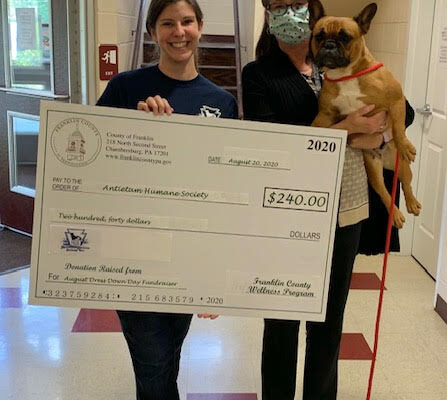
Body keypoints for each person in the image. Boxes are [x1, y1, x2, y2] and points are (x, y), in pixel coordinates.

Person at [242, 1, 414, 399]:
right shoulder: (260, 74)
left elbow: (404, 110)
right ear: (268, 14)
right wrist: (351, 130)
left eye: (295, 5)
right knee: (283, 320)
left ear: (311, 10)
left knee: (329, 320)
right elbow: (271, 139)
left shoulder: (358, 66)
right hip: (288, 209)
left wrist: (385, 135)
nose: (288, 13)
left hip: (346, 207)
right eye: (277, 6)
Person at [96, 1, 237, 399]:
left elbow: (225, 192)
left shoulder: (222, 103)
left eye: (187, 22)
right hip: (132, 251)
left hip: (187, 252)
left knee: (168, 356)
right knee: (154, 364)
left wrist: (214, 274)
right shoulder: (126, 88)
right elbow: (92, 167)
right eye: (168, 23)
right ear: (153, 31)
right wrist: (135, 129)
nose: (179, 31)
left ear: (200, 26)